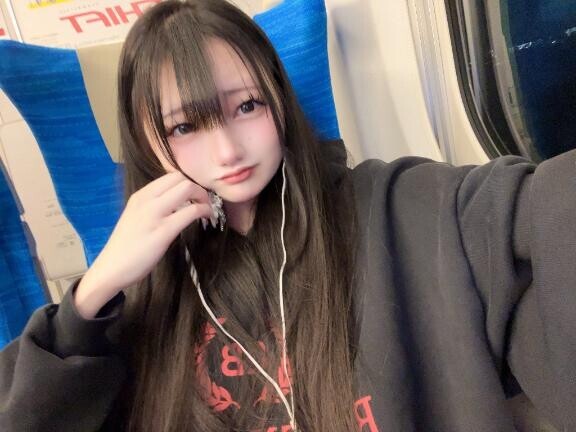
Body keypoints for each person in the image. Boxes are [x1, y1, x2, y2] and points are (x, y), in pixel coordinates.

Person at [1, 0, 575, 431]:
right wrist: (94, 291)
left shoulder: (397, 208)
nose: (228, 150)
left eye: (246, 106)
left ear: (278, 98)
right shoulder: (139, 296)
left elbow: (537, 213)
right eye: (186, 126)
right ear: (148, 143)